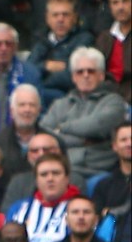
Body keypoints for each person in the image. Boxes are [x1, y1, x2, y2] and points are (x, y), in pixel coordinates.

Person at [39, 47, 127, 177]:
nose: (85, 75)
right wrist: (83, 140)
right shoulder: (60, 104)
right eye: (80, 72)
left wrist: (62, 127)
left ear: (101, 75)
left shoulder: (114, 102)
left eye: (91, 71)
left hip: (99, 171)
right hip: (63, 169)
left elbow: (97, 125)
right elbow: (45, 135)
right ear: (73, 77)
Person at [6, 153, 81, 242]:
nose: (50, 179)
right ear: (36, 181)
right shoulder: (19, 209)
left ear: (67, 178)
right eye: (44, 174)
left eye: (56, 173)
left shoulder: (80, 209)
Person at [27, 0, 95, 103]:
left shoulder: (85, 39)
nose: (60, 19)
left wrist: (41, 82)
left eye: (65, 15)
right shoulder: (41, 40)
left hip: (71, 96)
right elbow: (28, 70)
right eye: (55, 15)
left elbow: (72, 76)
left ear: (74, 17)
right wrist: (46, 66)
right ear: (47, 18)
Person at [96, 0, 130, 103]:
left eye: (125, 1)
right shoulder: (104, 37)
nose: (120, 7)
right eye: (115, 3)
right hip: (105, 97)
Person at [91, 123, 130, 218]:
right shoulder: (104, 185)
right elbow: (98, 217)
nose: (129, 144)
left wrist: (109, 211)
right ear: (114, 146)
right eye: (123, 140)